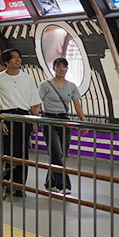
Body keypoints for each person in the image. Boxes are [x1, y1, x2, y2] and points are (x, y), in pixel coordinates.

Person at [0, 49, 41, 198]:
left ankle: (19, 185)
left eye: (19, 57)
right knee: (7, 153)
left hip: (24, 117)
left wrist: (34, 122)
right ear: (6, 61)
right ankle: (5, 183)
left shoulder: (28, 79)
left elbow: (34, 103)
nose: (18, 60)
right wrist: (0, 120)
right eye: (14, 58)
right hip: (7, 117)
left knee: (22, 153)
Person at [37, 58, 84, 192]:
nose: (61, 69)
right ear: (54, 69)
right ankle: (63, 185)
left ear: (67, 69)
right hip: (49, 120)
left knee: (61, 154)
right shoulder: (45, 85)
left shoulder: (72, 86)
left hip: (64, 119)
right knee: (57, 153)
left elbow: (77, 105)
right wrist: (34, 120)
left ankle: (50, 183)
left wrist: (83, 121)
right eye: (58, 66)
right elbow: (37, 102)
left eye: (64, 66)